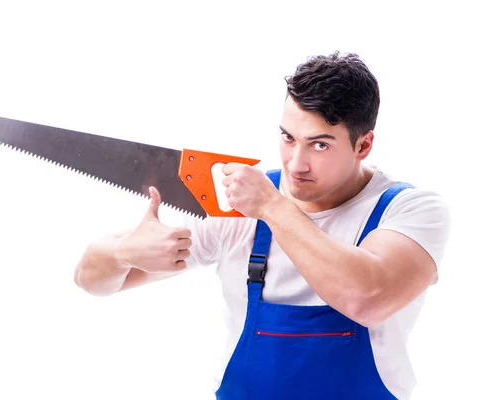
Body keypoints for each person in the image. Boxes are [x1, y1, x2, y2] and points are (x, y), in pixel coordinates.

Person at [73, 51, 451, 399]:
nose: (295, 163)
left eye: (319, 145)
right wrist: (121, 254)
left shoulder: (410, 211)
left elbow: (366, 299)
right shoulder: (238, 204)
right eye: (288, 138)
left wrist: (273, 207)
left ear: (363, 145)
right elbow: (91, 279)